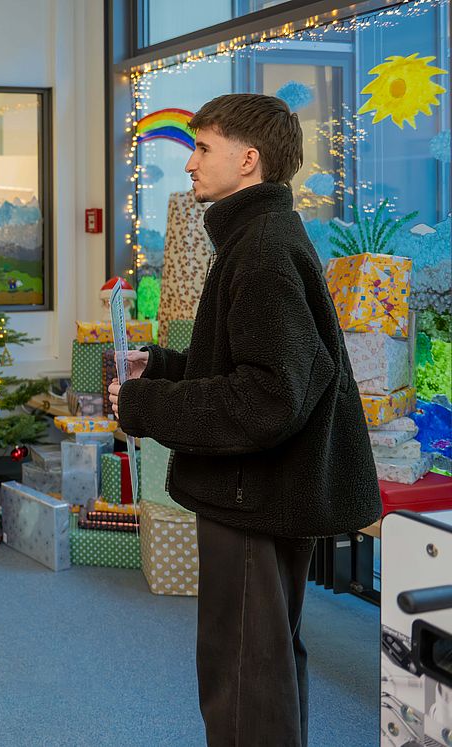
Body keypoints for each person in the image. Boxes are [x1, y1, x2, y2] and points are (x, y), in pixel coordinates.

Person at [108, 93, 380, 747]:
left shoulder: (261, 250)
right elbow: (253, 366)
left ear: (249, 159)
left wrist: (144, 406)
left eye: (204, 148)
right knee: (265, 660)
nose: (190, 163)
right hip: (263, 490)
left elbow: (267, 397)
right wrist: (162, 368)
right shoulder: (261, 237)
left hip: (252, 496)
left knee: (243, 673)